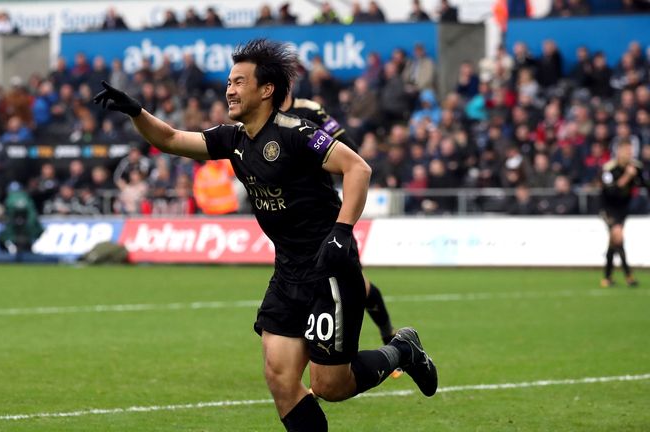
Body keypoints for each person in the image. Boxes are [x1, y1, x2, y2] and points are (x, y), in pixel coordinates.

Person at [94, 38, 437, 432]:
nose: (229, 89)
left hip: (328, 268)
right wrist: (136, 112)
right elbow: (171, 139)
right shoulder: (232, 138)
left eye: (239, 81)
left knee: (329, 385)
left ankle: (403, 350)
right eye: (228, 81)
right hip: (288, 272)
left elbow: (358, 168)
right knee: (280, 379)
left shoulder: (296, 132)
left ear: (266, 89)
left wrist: (342, 232)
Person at [281, 88, 398, 344]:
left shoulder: (309, 111)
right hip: (290, 223)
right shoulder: (261, 117)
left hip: (321, 214)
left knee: (357, 285)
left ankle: (389, 336)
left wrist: (315, 155)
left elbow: (349, 150)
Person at [599, 139, 649, 288]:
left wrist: (636, 176)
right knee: (618, 237)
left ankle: (607, 277)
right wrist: (627, 176)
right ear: (619, 151)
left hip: (622, 210)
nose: (630, 154)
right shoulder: (609, 169)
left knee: (613, 243)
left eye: (631, 151)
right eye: (627, 151)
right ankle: (628, 275)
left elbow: (644, 184)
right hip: (607, 208)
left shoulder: (636, 167)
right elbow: (610, 191)